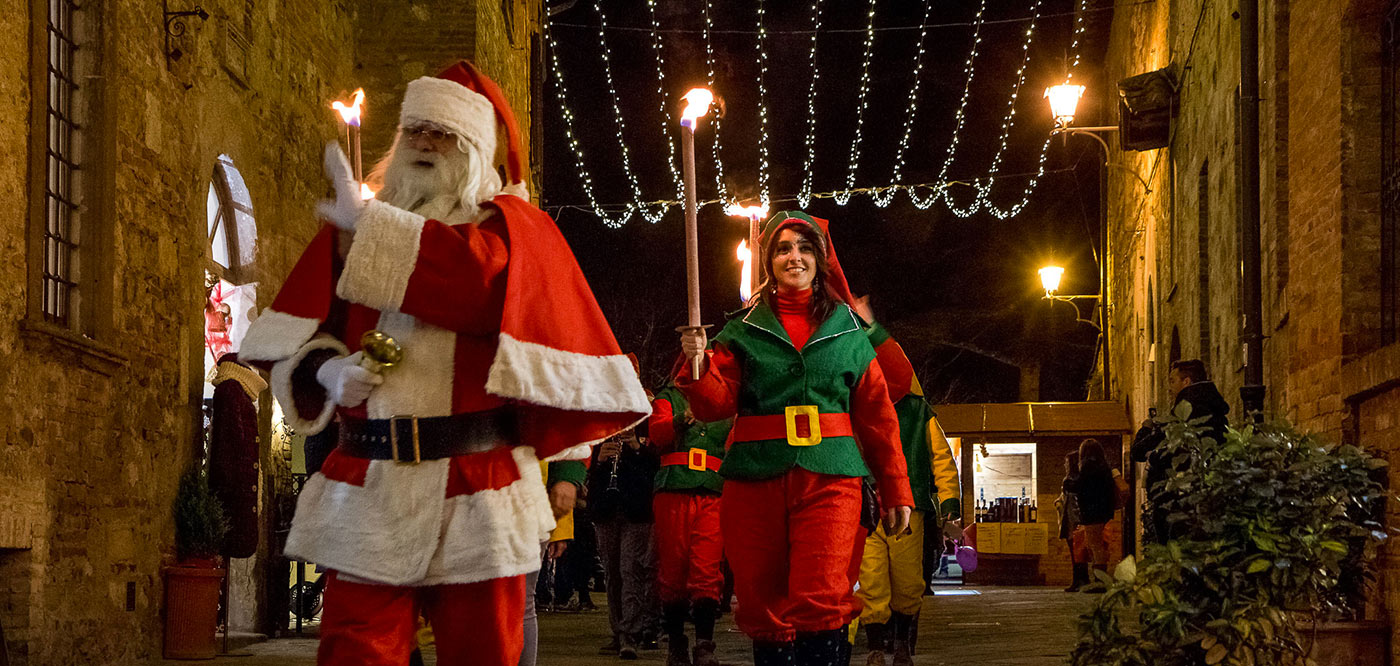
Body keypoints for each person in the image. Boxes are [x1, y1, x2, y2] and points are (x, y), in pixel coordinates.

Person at [238, 60, 650, 666]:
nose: (426, 142)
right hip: (369, 484)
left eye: (444, 132)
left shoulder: (512, 232)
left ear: (477, 148)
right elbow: (296, 340)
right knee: (353, 653)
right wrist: (329, 373)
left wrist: (371, 229)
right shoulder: (356, 232)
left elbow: (476, 288)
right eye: (415, 130)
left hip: (478, 485)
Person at [678, 210, 914, 666]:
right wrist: (697, 366)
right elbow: (713, 406)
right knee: (763, 600)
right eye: (784, 248)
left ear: (820, 260)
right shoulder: (741, 330)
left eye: (805, 249)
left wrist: (895, 487)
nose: (794, 257)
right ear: (769, 261)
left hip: (831, 478)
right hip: (754, 482)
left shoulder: (849, 330)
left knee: (822, 594)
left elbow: (877, 415)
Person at [848, 302, 961, 666]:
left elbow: (942, 460)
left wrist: (949, 509)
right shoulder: (854, 407)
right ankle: (877, 645)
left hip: (909, 508)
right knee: (873, 579)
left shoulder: (918, 411)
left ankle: (900, 641)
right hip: (867, 508)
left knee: (908, 580)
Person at [648, 381, 732, 666]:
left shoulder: (728, 401)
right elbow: (657, 433)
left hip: (713, 491)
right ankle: (676, 643)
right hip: (674, 491)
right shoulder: (668, 397)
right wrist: (679, 420)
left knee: (707, 568)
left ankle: (704, 644)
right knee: (673, 569)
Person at [1130, 359, 1230, 544]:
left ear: (1187, 382)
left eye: (1172, 380)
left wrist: (1146, 430)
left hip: (1175, 500)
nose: (1169, 386)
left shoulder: (1181, 415)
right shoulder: (1215, 411)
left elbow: (1138, 451)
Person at [589, 425, 662, 660]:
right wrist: (599, 460)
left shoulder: (646, 424)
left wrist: (637, 448)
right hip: (606, 509)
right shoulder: (600, 428)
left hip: (636, 509)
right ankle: (618, 631)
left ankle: (630, 633)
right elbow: (587, 472)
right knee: (612, 574)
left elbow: (656, 466)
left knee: (630, 570)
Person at [1067, 439, 1117, 592]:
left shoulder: (1088, 467)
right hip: (1103, 510)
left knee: (1095, 546)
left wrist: (1069, 481)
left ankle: (1100, 582)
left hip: (1091, 510)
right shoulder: (1105, 468)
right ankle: (1100, 580)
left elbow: (1078, 486)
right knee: (1098, 546)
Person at [1055, 452, 1086, 592]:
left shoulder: (1070, 480)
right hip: (1074, 520)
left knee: (1077, 552)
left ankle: (1079, 580)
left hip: (1072, 521)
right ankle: (1080, 580)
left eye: (1067, 463)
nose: (1064, 465)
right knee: (1078, 552)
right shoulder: (1078, 479)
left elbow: (1073, 503)